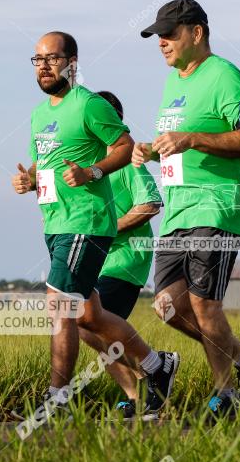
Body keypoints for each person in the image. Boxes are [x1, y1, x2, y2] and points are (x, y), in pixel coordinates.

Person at [11, 31, 179, 419]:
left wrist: (92, 171)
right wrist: (29, 179)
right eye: (38, 60)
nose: (44, 66)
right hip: (55, 222)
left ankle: (57, 400)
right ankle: (157, 366)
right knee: (89, 316)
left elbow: (124, 145)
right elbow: (45, 165)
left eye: (52, 58)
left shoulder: (88, 105)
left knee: (60, 306)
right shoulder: (40, 115)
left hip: (86, 222)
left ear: (72, 62)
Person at [133, 0, 240, 418]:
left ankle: (226, 394)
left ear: (196, 33)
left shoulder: (227, 78)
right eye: (158, 35)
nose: (162, 42)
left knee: (203, 305)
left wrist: (192, 138)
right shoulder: (174, 83)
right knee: (167, 306)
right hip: (178, 211)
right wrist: (153, 150)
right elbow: (179, 147)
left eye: (170, 33)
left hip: (217, 206)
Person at [76, 90, 169, 419]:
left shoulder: (127, 159)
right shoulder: (90, 162)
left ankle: (155, 369)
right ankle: (137, 391)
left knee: (89, 323)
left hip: (125, 260)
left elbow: (150, 205)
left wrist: (109, 228)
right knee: (86, 329)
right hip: (93, 261)